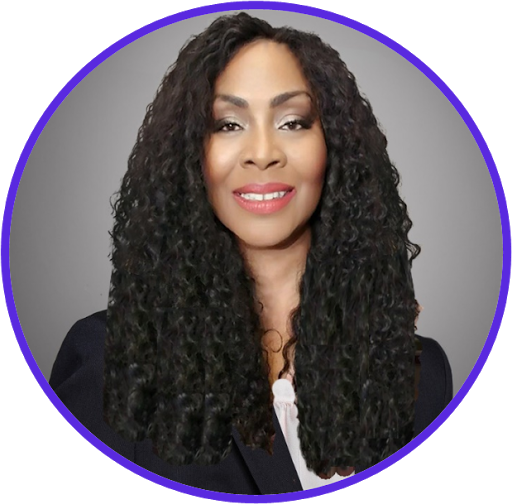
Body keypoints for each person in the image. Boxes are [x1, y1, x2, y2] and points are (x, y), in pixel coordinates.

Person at [49, 13, 453, 494]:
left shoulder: (420, 374)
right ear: (191, 155)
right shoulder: (111, 361)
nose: (262, 153)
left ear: (335, 147)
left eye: (292, 122)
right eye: (228, 124)